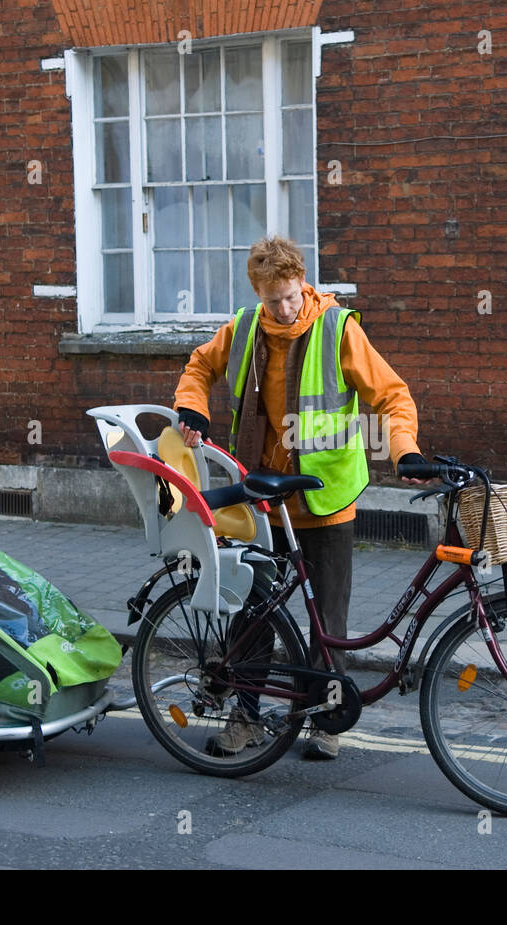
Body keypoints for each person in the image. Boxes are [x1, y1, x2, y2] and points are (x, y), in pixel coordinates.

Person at [174, 235, 427, 760]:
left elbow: (392, 394)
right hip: (260, 500)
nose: (285, 310)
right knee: (252, 611)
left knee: (327, 620)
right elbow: (199, 367)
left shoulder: (337, 329)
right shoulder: (244, 329)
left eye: (291, 296)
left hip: (326, 497)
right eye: (273, 301)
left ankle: (325, 721)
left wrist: (403, 451)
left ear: (303, 283)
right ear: (258, 293)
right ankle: (245, 717)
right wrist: (192, 408)